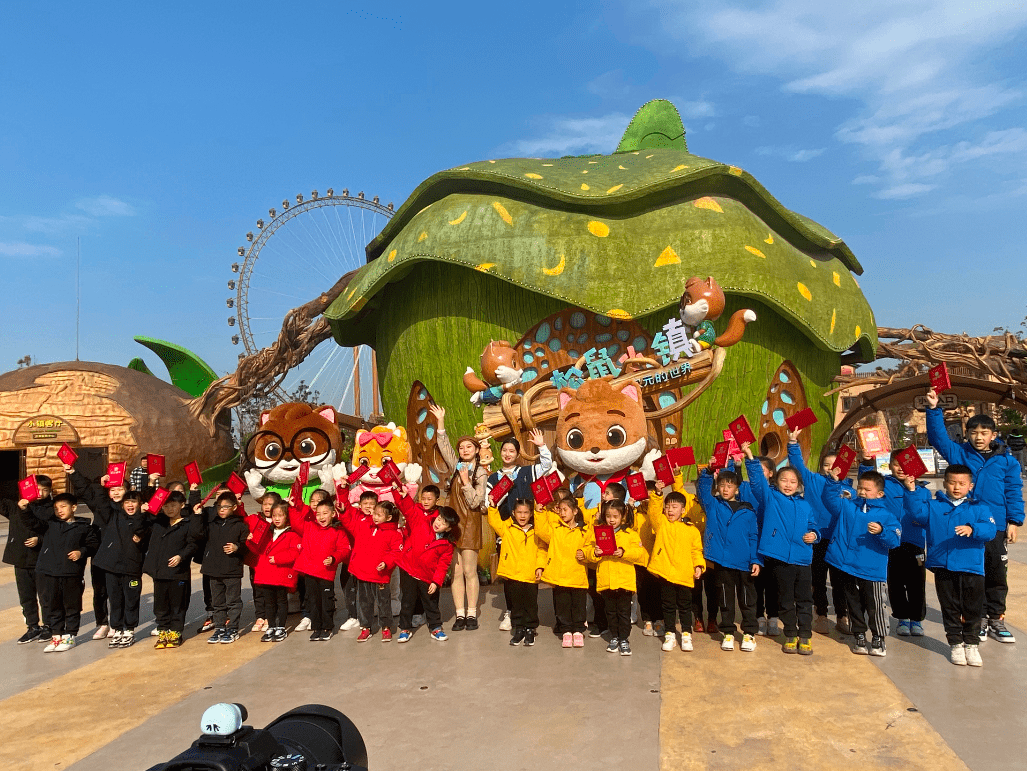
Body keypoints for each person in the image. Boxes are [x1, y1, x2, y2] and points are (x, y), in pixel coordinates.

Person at [925, 389, 1023, 644]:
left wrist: (1014, 521)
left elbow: (1013, 491)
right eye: (973, 432)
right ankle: (976, 619)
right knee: (973, 575)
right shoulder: (959, 453)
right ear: (967, 433)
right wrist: (934, 410)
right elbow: (937, 438)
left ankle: (996, 619)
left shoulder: (1007, 461)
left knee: (996, 572)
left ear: (993, 435)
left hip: (995, 525)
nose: (978, 438)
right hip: (964, 523)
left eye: (983, 433)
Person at [901, 464, 997, 666]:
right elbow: (916, 514)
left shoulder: (979, 507)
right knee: (950, 607)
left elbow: (990, 530)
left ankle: (971, 644)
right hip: (943, 566)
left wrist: (973, 528)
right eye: (952, 482)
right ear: (944, 483)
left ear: (970, 486)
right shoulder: (934, 506)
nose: (956, 487)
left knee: (972, 608)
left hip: (971, 566)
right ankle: (955, 644)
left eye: (962, 484)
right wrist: (911, 491)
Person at [743, 442, 820, 655]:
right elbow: (758, 482)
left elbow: (814, 525)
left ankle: (805, 636)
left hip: (803, 559)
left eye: (792, 481)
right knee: (785, 600)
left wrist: (814, 535)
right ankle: (791, 634)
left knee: (805, 599)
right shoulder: (771, 498)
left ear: (798, 484)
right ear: (776, 481)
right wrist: (749, 457)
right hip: (779, 559)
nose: (788, 484)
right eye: (784, 480)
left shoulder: (805, 505)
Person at [821, 469, 902, 657]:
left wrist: (882, 530)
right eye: (860, 488)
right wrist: (833, 482)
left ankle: (878, 637)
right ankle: (858, 634)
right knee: (853, 604)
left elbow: (894, 540)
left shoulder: (887, 516)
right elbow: (829, 499)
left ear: (880, 493)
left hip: (872, 569)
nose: (862, 492)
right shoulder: (848, 506)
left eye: (867, 489)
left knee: (875, 605)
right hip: (847, 566)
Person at [70, 465, 151, 648]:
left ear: (128, 491)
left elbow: (147, 523)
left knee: (128, 596)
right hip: (107, 559)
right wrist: (98, 484)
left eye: (120, 488)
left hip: (130, 563)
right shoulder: (108, 511)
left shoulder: (136, 512)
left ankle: (127, 629)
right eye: (112, 489)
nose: (116, 492)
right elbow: (93, 496)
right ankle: (110, 625)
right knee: (106, 594)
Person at [786, 430, 852, 637]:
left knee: (841, 580)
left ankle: (842, 616)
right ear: (820, 467)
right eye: (826, 465)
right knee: (818, 579)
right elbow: (797, 465)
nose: (831, 469)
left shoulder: (848, 487)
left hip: (839, 540)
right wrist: (792, 442)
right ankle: (821, 614)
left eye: (835, 465)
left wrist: (868, 460)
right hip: (818, 538)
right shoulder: (813, 480)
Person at [485, 429, 552, 631]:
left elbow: (547, 466)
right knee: (510, 574)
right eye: (504, 450)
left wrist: (541, 446)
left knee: (528, 570)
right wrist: (498, 496)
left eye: (511, 451)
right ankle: (511, 611)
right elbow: (487, 503)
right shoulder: (493, 478)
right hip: (506, 530)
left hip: (529, 529)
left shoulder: (526, 471)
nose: (507, 454)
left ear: (517, 454)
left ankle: (529, 614)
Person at [429, 404, 488, 631]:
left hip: (471, 524)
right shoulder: (457, 466)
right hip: (454, 525)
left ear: (476, 450)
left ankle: (472, 613)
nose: (464, 450)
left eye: (468, 446)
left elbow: (475, 502)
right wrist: (441, 422)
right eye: (461, 447)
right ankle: (460, 614)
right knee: (455, 571)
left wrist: (465, 483)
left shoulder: (480, 472)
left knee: (470, 571)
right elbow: (444, 448)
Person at [858, 450, 927, 637]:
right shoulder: (885, 486)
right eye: (897, 464)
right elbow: (866, 486)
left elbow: (926, 517)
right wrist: (866, 461)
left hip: (915, 544)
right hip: (890, 542)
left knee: (917, 584)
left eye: (905, 464)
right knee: (895, 583)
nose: (901, 469)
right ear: (889, 465)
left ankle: (917, 620)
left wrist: (911, 490)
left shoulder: (923, 491)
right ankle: (902, 618)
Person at [19, 492, 99, 652]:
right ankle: (56, 636)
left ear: (74, 507)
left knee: (71, 606)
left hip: (71, 574)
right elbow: (33, 523)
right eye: (56, 508)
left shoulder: (84, 527)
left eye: (63, 507)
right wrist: (25, 510)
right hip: (49, 573)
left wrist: (81, 552)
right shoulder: (50, 524)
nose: (60, 511)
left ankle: (70, 636)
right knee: (52, 605)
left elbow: (93, 544)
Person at [695, 468, 760, 652]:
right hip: (722, 562)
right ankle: (729, 633)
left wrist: (756, 559)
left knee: (747, 599)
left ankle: (749, 634)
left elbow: (754, 536)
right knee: (725, 599)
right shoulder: (713, 505)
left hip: (744, 563)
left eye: (729, 486)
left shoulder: (748, 511)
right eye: (722, 485)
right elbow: (702, 490)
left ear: (737, 489)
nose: (725, 489)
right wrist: (707, 473)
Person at [646, 485, 705, 652]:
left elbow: (696, 551)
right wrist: (658, 494)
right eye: (667, 506)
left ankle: (686, 634)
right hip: (665, 572)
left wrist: (699, 566)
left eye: (674, 507)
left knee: (685, 606)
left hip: (685, 574)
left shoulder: (691, 530)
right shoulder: (662, 524)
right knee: (668, 606)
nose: (669, 510)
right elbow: (653, 512)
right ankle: (670, 634)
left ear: (683, 510)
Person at [584, 499, 647, 656]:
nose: (611, 520)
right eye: (608, 516)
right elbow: (588, 551)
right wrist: (595, 552)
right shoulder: (599, 532)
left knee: (623, 612)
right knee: (610, 612)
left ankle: (624, 639)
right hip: (606, 580)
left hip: (624, 581)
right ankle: (614, 637)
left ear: (623, 516)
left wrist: (624, 553)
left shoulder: (630, 534)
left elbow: (640, 554)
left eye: (615, 516)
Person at [395, 498, 459, 643]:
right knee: (407, 602)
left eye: (443, 523)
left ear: (448, 528)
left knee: (431, 603)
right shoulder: (421, 523)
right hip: (409, 570)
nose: (438, 523)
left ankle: (436, 628)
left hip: (427, 577)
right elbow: (410, 511)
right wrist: (403, 497)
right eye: (439, 518)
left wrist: (436, 582)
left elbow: (443, 564)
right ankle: (405, 628)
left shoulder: (447, 544)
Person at [340, 500, 403, 642]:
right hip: (362, 573)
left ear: (388, 518)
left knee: (383, 603)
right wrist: (343, 511)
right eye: (374, 513)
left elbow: (396, 553)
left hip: (380, 576)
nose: (374, 516)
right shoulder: (365, 526)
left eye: (379, 514)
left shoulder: (395, 534)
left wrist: (386, 563)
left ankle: (386, 627)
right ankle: (365, 627)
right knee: (364, 602)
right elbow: (349, 523)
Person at [290, 497, 350, 641]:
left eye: (325, 513)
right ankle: (316, 627)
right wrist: (293, 507)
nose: (321, 517)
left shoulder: (338, 531)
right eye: (318, 513)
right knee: (313, 601)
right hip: (309, 571)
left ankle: (327, 627)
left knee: (326, 601)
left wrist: (334, 558)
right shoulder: (309, 526)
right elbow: (296, 521)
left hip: (326, 573)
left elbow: (344, 549)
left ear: (333, 514)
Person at [534, 496, 591, 648]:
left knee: (578, 605)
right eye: (560, 510)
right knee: (562, 605)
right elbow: (541, 531)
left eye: (565, 510)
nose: (562, 513)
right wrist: (539, 513)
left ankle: (578, 631)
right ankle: (566, 631)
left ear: (575, 511)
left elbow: (590, 545)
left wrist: (585, 553)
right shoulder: (555, 529)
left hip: (577, 575)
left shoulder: (584, 530)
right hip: (559, 576)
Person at [142, 490, 197, 649]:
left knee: (177, 605)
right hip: (159, 572)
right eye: (166, 506)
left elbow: (192, 544)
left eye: (173, 505)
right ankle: (163, 632)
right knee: (160, 605)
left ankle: (175, 633)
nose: (170, 509)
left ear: (182, 505)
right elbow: (142, 524)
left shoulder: (187, 523)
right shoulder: (158, 523)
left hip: (178, 573)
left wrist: (181, 556)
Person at [487, 497, 543, 646]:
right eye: (519, 512)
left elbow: (541, 551)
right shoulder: (507, 528)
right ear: (513, 513)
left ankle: (530, 629)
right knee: (516, 605)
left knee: (531, 605)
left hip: (530, 574)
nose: (522, 516)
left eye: (526, 512)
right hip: (513, 573)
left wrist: (540, 566)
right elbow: (494, 522)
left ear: (531, 513)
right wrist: (493, 507)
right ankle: (519, 628)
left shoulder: (537, 531)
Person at [195, 492, 249, 644]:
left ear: (234, 507)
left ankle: (232, 628)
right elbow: (198, 534)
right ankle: (219, 627)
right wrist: (198, 516)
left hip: (232, 570)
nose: (222, 510)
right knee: (217, 602)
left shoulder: (240, 525)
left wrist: (237, 547)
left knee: (233, 601)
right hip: (213, 569)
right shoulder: (211, 524)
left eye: (225, 507)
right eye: (219, 506)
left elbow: (247, 546)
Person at [736, 455, 781, 636]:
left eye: (762, 470)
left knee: (773, 583)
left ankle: (773, 617)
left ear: (770, 473)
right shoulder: (746, 487)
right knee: (755, 583)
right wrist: (737, 463)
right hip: (752, 544)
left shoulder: (777, 492)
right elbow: (736, 481)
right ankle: (758, 616)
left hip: (771, 544)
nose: (758, 474)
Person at [3, 479, 49, 643]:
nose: (40, 493)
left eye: (44, 490)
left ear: (50, 491)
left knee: (46, 596)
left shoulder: (50, 509)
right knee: (26, 597)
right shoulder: (14, 507)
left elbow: (56, 531)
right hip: (21, 559)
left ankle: (49, 626)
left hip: (42, 559)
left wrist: (40, 539)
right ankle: (32, 626)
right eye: (37, 489)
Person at [248, 501, 300, 642]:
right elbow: (257, 549)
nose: (277, 518)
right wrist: (250, 541)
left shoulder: (292, 534)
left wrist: (278, 558)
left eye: (280, 515)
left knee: (282, 602)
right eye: (274, 515)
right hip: (266, 574)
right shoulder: (266, 531)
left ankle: (281, 627)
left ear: (287, 517)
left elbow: (294, 552)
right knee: (269, 603)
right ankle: (271, 626)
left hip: (281, 574)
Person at [334, 490, 376, 632]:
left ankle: (366, 618)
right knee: (349, 590)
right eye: (365, 503)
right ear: (359, 505)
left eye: (372, 504)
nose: (368, 506)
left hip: (369, 564)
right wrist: (342, 488)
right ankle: (353, 616)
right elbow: (344, 509)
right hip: (350, 561)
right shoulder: (355, 516)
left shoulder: (378, 520)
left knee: (366, 594)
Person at [246, 492, 281, 634]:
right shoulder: (255, 519)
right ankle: (260, 616)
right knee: (258, 590)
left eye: (270, 504)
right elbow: (241, 520)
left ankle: (270, 616)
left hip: (272, 562)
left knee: (271, 591)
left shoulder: (279, 521)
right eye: (264, 504)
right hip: (256, 561)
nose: (267, 507)